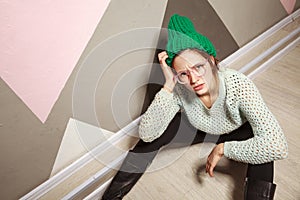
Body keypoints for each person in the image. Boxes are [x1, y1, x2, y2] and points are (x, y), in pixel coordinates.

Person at [101, 14, 288, 200]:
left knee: (264, 152)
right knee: (152, 137)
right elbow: (147, 134)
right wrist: (168, 85)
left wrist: (224, 149)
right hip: (198, 127)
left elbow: (277, 145)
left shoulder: (238, 84)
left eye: (198, 67)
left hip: (237, 130)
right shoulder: (180, 88)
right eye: (183, 73)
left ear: (212, 61)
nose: (193, 79)